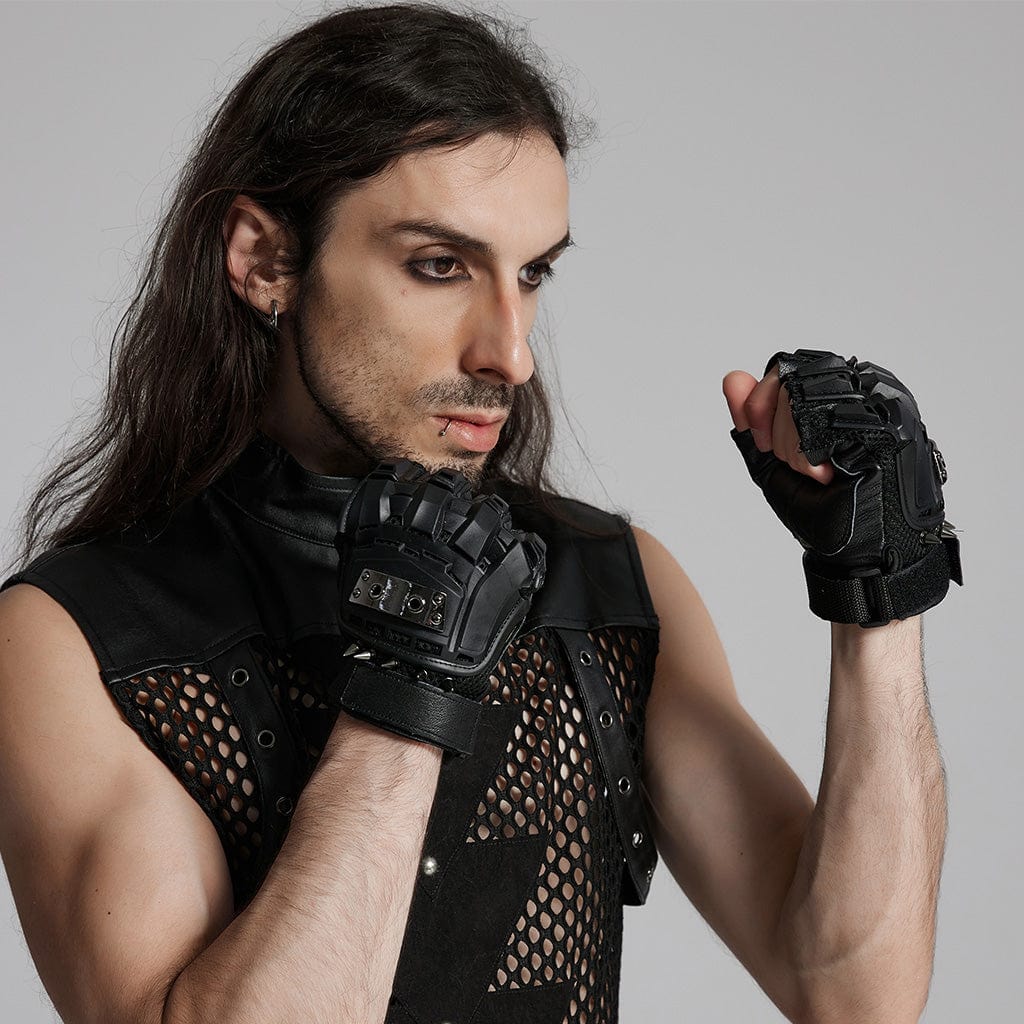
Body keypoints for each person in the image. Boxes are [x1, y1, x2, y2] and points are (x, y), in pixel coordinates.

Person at [0, 3, 961, 1023]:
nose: (510, 353)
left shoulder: (606, 581)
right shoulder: (72, 638)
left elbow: (854, 993)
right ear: (264, 260)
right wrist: (406, 695)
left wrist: (879, 592)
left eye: (531, 272)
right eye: (439, 266)